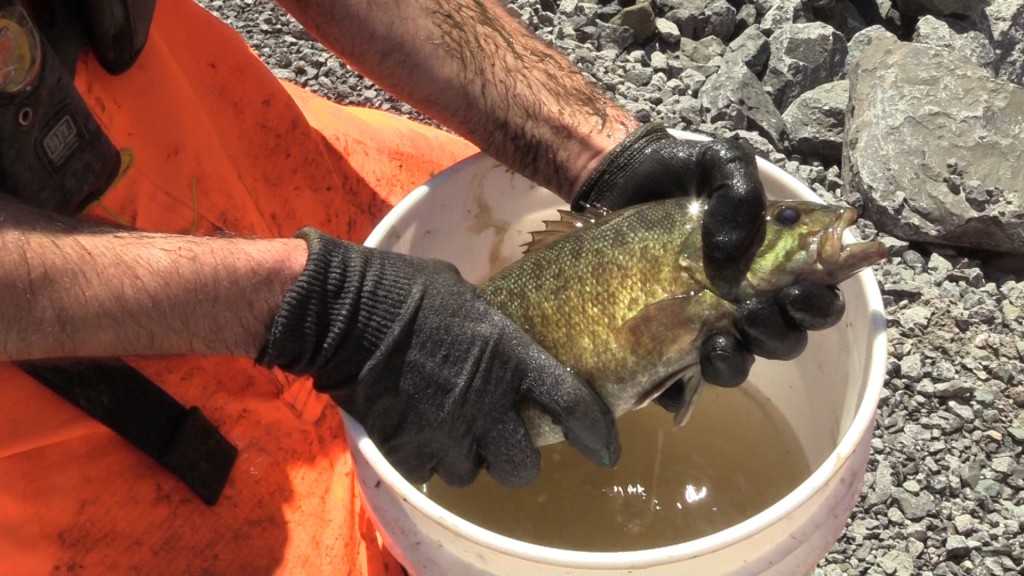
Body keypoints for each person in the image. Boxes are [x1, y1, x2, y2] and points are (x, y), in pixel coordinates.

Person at [0, 0, 844, 573]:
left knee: (463, 227)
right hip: (40, 371)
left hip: (162, 105)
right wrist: (328, 308)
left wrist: (592, 145)